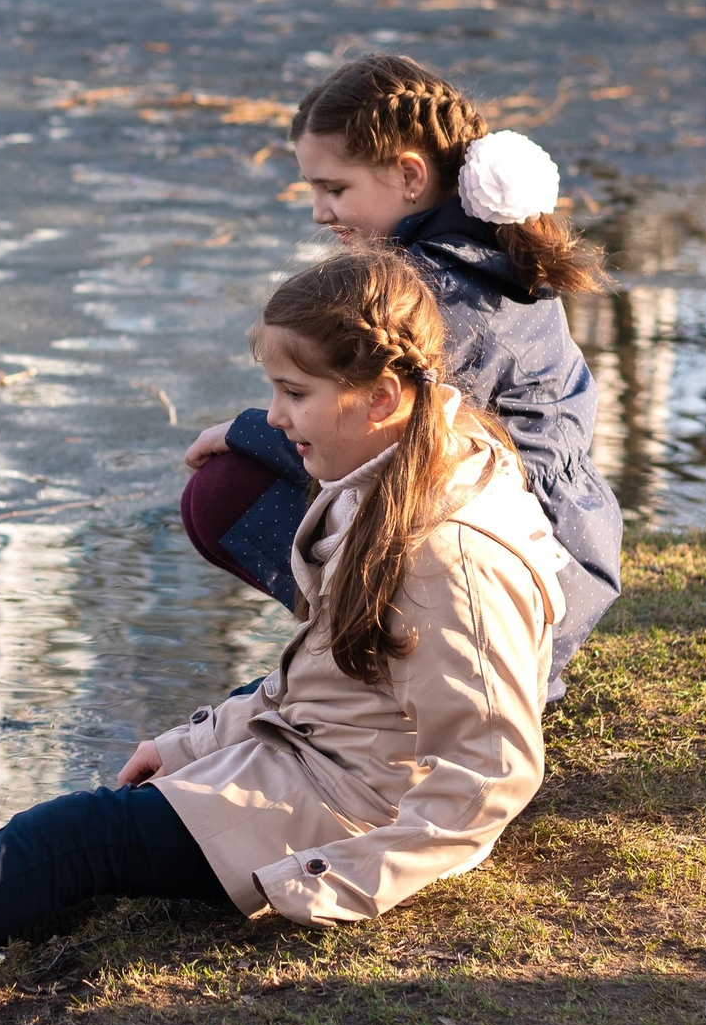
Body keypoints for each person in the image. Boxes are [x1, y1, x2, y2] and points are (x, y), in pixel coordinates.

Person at [0, 246, 570, 1023]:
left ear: (382, 396)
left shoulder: (448, 547)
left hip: (343, 809)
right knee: (75, 834)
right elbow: (333, 686)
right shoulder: (403, 470)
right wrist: (194, 741)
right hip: (319, 766)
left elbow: (491, 768)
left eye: (294, 394)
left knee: (71, 838)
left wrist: (329, 881)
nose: (275, 419)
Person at [182, 53, 621, 696]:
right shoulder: (485, 251)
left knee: (223, 493)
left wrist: (245, 432)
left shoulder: (433, 293)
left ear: (410, 175)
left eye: (334, 189)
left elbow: (369, 423)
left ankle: (386, 655)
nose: (318, 212)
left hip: (522, 574)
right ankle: (366, 646)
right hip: (561, 549)